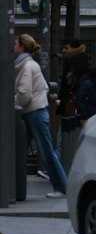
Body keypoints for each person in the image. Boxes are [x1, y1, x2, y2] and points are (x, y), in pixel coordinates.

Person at [14, 35, 68, 197]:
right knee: (18, 149)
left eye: (16, 43)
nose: (13, 46)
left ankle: (62, 187)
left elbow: (25, 93)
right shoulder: (28, 65)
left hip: (34, 113)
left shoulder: (27, 66)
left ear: (22, 47)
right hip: (33, 112)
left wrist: (12, 104)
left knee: (46, 152)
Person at [57, 37, 90, 172]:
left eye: (67, 48)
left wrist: (65, 100)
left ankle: (56, 166)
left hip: (73, 105)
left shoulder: (76, 63)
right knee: (66, 136)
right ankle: (57, 165)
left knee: (63, 136)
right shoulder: (78, 61)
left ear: (74, 48)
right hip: (73, 104)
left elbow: (71, 85)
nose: (64, 51)